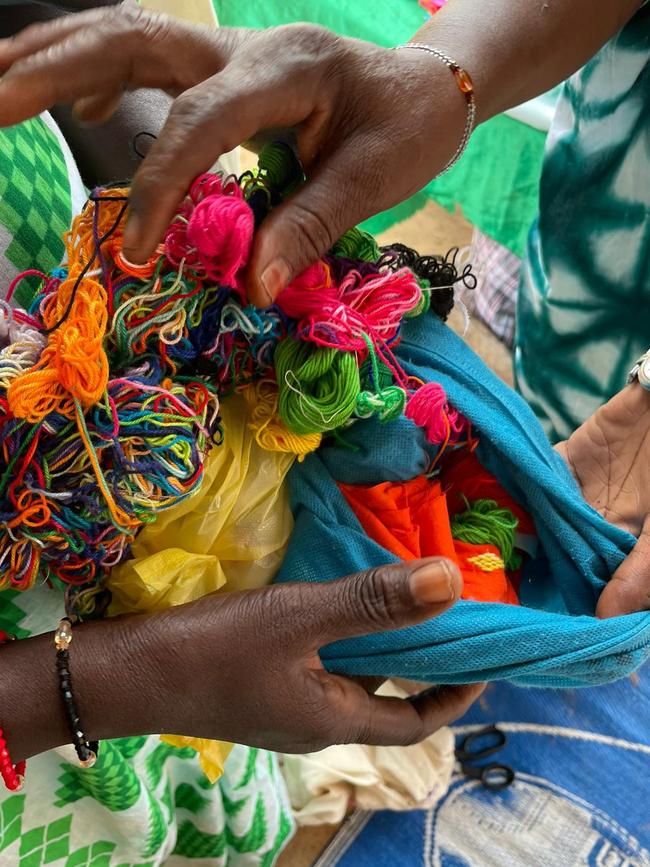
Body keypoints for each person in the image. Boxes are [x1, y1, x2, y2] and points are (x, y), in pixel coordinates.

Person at [0, 1, 647, 863]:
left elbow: (53, 39)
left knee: (197, 760)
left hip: (131, 402)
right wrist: (92, 688)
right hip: (57, 658)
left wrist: (190, 221)